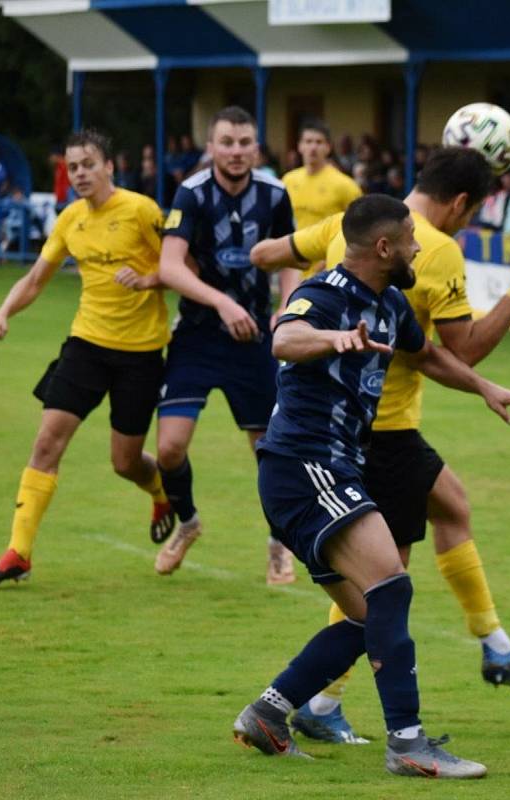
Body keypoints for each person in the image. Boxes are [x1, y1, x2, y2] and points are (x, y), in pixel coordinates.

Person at [234, 193, 510, 778]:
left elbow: (426, 356)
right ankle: (408, 744)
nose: (418, 246)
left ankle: (268, 713)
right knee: (391, 587)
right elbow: (284, 338)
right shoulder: (323, 294)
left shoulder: (392, 302)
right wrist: (332, 338)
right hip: (304, 466)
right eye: (409, 238)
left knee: (364, 618)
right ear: (383, 247)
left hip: (329, 468)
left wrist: (485, 387)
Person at [0, 129, 175, 586]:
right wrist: (3, 312)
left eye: (88, 164)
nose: (80, 173)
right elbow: (35, 278)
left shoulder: (143, 211)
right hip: (86, 345)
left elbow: (183, 269)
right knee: (46, 443)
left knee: (125, 462)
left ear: (110, 166)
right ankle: (18, 554)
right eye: (72, 167)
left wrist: (148, 278)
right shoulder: (69, 219)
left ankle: (160, 490)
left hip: (141, 354)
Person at [155, 106, 300, 585]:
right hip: (197, 335)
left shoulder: (276, 195)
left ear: (255, 149)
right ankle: (189, 522)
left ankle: (280, 544)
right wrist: (221, 303)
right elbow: (170, 266)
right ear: (211, 148)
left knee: (269, 451)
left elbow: (289, 257)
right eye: (226, 142)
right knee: (170, 449)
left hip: (255, 338)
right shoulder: (191, 194)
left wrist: (288, 308)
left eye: (244, 143)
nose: (236, 152)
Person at [282, 119, 361, 280]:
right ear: (300, 146)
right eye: (308, 141)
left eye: (319, 142)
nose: (313, 147)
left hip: (329, 269)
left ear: (328, 147)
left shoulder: (345, 185)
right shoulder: (288, 181)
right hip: (294, 266)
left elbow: (360, 230)